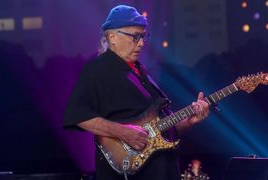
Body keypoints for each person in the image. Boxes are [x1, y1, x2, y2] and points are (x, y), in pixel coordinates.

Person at [63, 5, 209, 180]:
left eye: (143, 36)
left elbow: (160, 129)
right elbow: (77, 115)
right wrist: (123, 132)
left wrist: (190, 121)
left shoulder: (139, 70)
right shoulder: (97, 69)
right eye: (135, 36)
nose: (141, 43)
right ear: (112, 37)